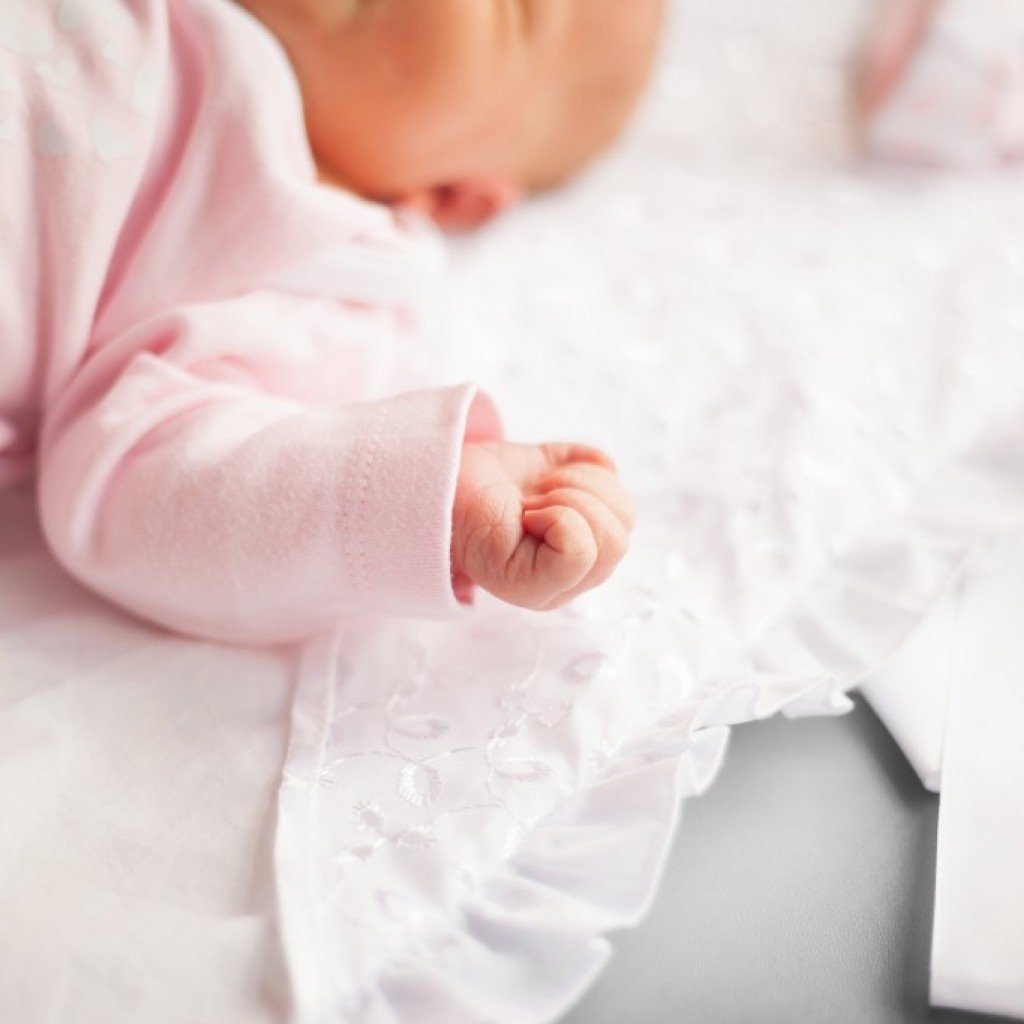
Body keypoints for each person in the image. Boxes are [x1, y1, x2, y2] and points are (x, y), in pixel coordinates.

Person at [0, 0, 662, 643]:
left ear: (453, 194)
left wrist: (423, 498)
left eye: (511, 7)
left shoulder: (324, 269)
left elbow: (141, 477)